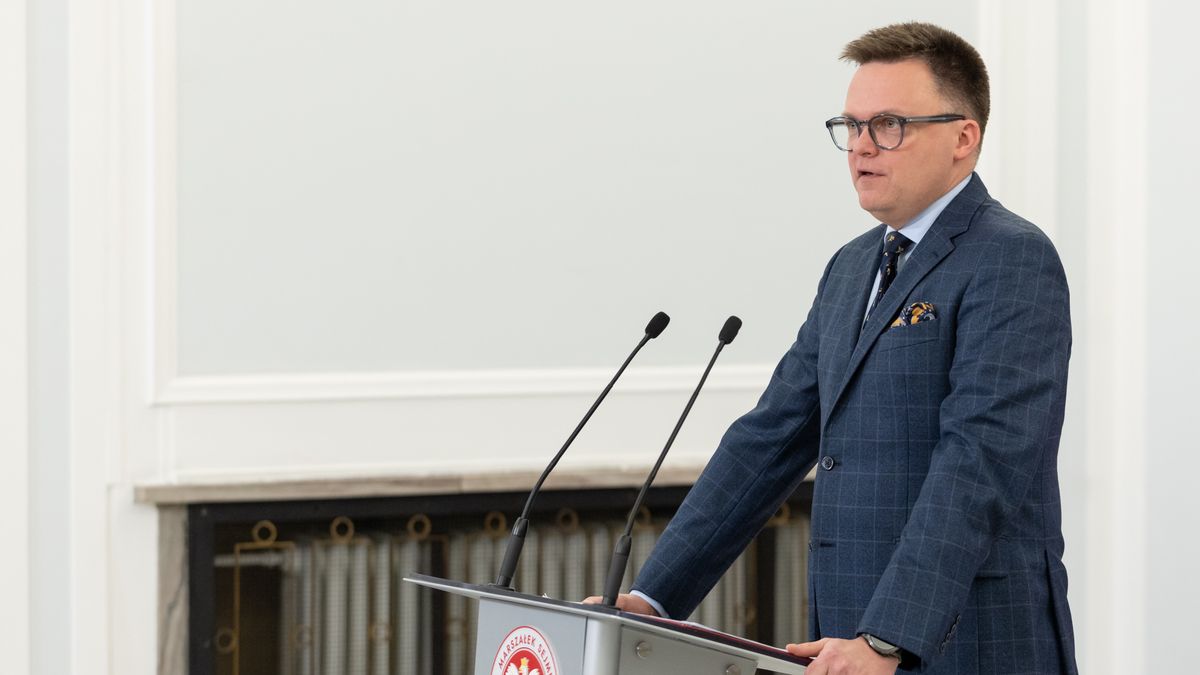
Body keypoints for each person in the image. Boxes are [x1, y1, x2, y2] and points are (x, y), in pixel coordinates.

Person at [587, 22, 1078, 675]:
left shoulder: (1011, 257)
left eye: (889, 125)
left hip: (964, 637)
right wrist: (652, 597)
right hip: (846, 636)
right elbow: (768, 440)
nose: (861, 147)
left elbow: (979, 463)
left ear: (964, 137)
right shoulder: (851, 268)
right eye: (851, 126)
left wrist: (888, 637)